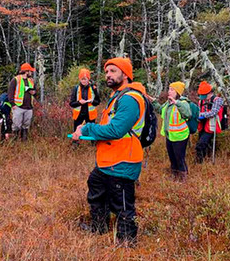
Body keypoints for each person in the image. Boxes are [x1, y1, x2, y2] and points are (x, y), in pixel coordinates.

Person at [72, 57, 146, 246]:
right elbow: (107, 126)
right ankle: (99, 227)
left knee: (121, 204)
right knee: (96, 185)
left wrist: (87, 129)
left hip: (123, 162)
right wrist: (86, 128)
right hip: (108, 161)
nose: (108, 75)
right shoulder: (118, 97)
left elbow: (115, 131)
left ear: (126, 74)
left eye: (113, 71)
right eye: (106, 72)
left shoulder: (130, 99)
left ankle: (127, 242)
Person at [149, 82, 191, 180]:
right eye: (169, 89)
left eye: (172, 90)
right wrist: (154, 102)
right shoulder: (168, 103)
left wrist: (177, 103)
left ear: (177, 92)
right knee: (172, 157)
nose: (169, 91)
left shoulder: (183, 103)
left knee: (179, 158)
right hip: (170, 135)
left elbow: (188, 113)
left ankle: (183, 177)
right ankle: (174, 175)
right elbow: (160, 110)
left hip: (180, 135)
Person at [69, 68, 100, 145]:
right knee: (76, 131)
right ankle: (75, 145)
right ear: (80, 79)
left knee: (92, 130)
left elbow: (98, 102)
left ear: (88, 79)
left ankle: (94, 145)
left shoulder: (93, 88)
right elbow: (72, 103)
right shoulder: (76, 88)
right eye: (82, 79)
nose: (84, 81)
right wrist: (79, 102)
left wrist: (92, 101)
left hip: (90, 115)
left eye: (85, 79)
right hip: (78, 115)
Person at [195, 81, 224, 163]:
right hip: (202, 125)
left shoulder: (217, 100)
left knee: (200, 145)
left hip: (212, 125)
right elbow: (198, 110)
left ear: (209, 93)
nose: (203, 98)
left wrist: (201, 114)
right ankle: (204, 159)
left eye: (204, 96)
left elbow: (213, 112)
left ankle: (198, 163)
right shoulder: (201, 101)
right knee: (204, 144)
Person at [8, 63, 36, 141]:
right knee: (16, 125)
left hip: (29, 107)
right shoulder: (16, 79)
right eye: (30, 71)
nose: (31, 72)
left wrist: (34, 92)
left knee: (26, 126)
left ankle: (24, 141)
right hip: (18, 107)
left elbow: (35, 92)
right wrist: (13, 105)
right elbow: (10, 93)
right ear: (26, 71)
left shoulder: (31, 80)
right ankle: (14, 141)